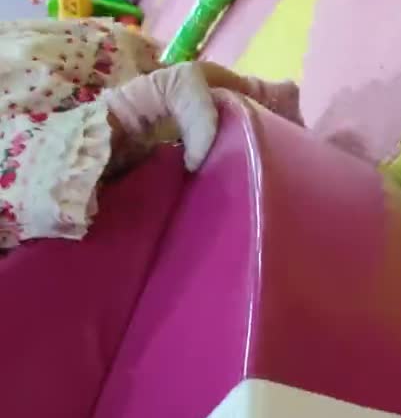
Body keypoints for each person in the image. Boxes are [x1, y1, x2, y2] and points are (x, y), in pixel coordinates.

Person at [0, 18, 303, 249]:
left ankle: (160, 95)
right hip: (33, 70)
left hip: (35, 97)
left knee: (143, 120)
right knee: (162, 97)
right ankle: (266, 95)